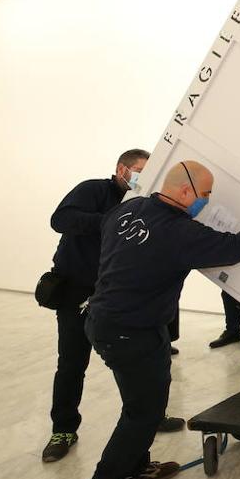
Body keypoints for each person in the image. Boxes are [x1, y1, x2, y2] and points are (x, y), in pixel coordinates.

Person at [80, 161, 240, 479]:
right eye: (205, 195)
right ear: (186, 191)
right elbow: (238, 247)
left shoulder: (127, 210)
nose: (206, 202)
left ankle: (136, 467)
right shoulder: (179, 233)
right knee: (142, 412)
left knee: (149, 402)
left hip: (120, 323)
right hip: (128, 331)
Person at [41, 149, 188, 462]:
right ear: (122, 169)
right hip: (78, 293)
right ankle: (63, 429)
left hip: (123, 300)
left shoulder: (144, 203)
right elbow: (60, 219)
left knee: (147, 365)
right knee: (71, 364)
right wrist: (111, 220)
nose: (143, 179)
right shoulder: (94, 190)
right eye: (139, 171)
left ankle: (150, 417)